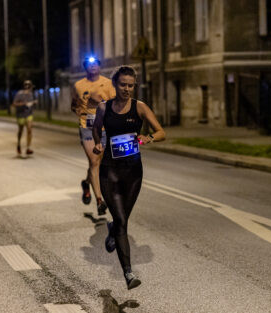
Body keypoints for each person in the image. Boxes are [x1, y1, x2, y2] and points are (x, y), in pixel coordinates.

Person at [92, 66, 166, 290]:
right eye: (122, 84)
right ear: (115, 85)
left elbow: (162, 132)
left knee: (123, 217)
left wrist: (147, 138)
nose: (126, 89)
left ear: (135, 86)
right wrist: (98, 142)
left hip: (133, 172)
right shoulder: (104, 108)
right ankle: (128, 273)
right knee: (123, 221)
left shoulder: (140, 108)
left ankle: (113, 228)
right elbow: (97, 129)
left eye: (130, 85)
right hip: (109, 171)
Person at [71, 56, 115, 215]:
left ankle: (86, 183)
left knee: (98, 163)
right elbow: (74, 104)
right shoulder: (78, 85)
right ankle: (99, 201)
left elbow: (114, 104)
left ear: (100, 67)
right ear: (86, 68)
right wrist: (80, 112)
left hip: (104, 128)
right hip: (87, 127)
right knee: (94, 161)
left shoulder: (108, 83)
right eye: (90, 64)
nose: (93, 66)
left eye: (96, 63)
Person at [13, 80, 37, 156]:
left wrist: (34, 103)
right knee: (20, 130)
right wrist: (24, 104)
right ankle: (19, 144)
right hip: (20, 115)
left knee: (29, 129)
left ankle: (28, 148)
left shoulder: (31, 94)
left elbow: (32, 103)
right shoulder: (19, 94)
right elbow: (14, 104)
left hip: (29, 114)